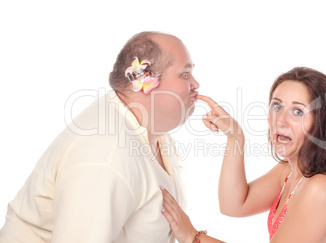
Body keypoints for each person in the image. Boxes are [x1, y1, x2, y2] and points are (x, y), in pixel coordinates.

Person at [160, 67, 326, 243]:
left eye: (297, 111)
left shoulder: (323, 187)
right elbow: (233, 204)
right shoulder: (290, 171)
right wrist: (235, 137)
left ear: (322, 123)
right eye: (277, 106)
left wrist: (193, 236)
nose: (281, 121)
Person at [0, 31, 200, 243]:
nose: (196, 84)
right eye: (185, 74)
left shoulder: (151, 131)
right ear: (145, 80)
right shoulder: (108, 156)